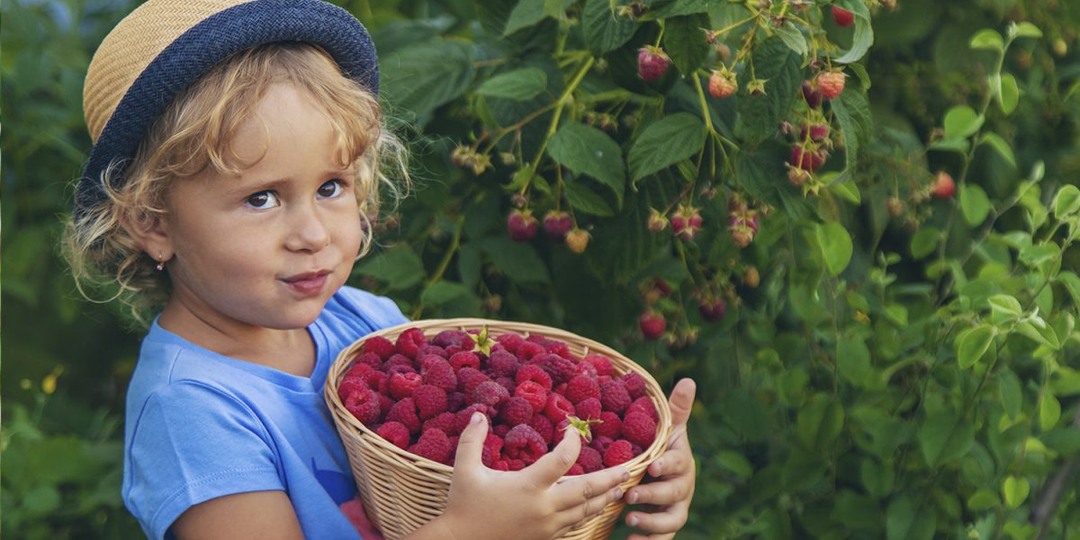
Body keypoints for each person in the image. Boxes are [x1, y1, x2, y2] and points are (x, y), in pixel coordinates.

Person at [63, 0, 697, 538]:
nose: (312, 235)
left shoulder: (366, 323)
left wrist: (623, 476)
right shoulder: (191, 415)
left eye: (332, 186)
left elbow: (485, 475)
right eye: (261, 198)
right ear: (152, 221)